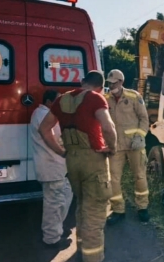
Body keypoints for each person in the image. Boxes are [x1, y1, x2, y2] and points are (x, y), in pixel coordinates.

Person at [38, 70, 117, 262]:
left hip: (72, 161)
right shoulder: (95, 98)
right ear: (99, 87)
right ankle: (93, 258)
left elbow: (44, 129)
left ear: (82, 82)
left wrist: (60, 151)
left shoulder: (61, 100)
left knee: (82, 205)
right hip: (93, 161)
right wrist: (112, 148)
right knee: (95, 211)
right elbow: (108, 127)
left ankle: (82, 247)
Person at [103, 69, 150, 225]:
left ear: (121, 82)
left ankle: (142, 207)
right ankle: (118, 210)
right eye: (109, 83)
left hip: (134, 144)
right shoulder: (105, 99)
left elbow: (144, 119)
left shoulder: (134, 97)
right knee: (114, 179)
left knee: (140, 176)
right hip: (115, 145)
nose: (111, 86)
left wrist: (140, 136)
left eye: (114, 83)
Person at [29, 89, 73, 250]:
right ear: (49, 102)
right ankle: (51, 238)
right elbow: (56, 137)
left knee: (66, 195)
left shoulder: (41, 113)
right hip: (51, 165)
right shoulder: (43, 115)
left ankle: (57, 229)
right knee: (54, 203)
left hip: (55, 166)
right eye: (57, 101)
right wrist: (64, 151)